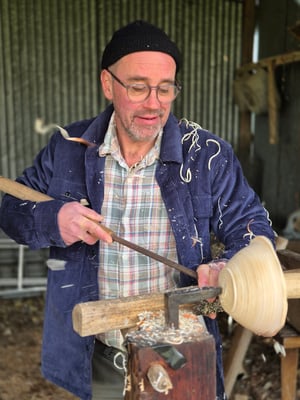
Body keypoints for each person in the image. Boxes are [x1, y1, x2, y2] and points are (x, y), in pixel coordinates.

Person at [0, 20, 275, 400]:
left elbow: (252, 225)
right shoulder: (67, 150)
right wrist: (53, 219)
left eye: (165, 89)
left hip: (177, 352)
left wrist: (229, 264)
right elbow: (11, 210)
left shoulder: (207, 154)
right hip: (97, 353)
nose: (154, 103)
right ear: (108, 84)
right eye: (138, 87)